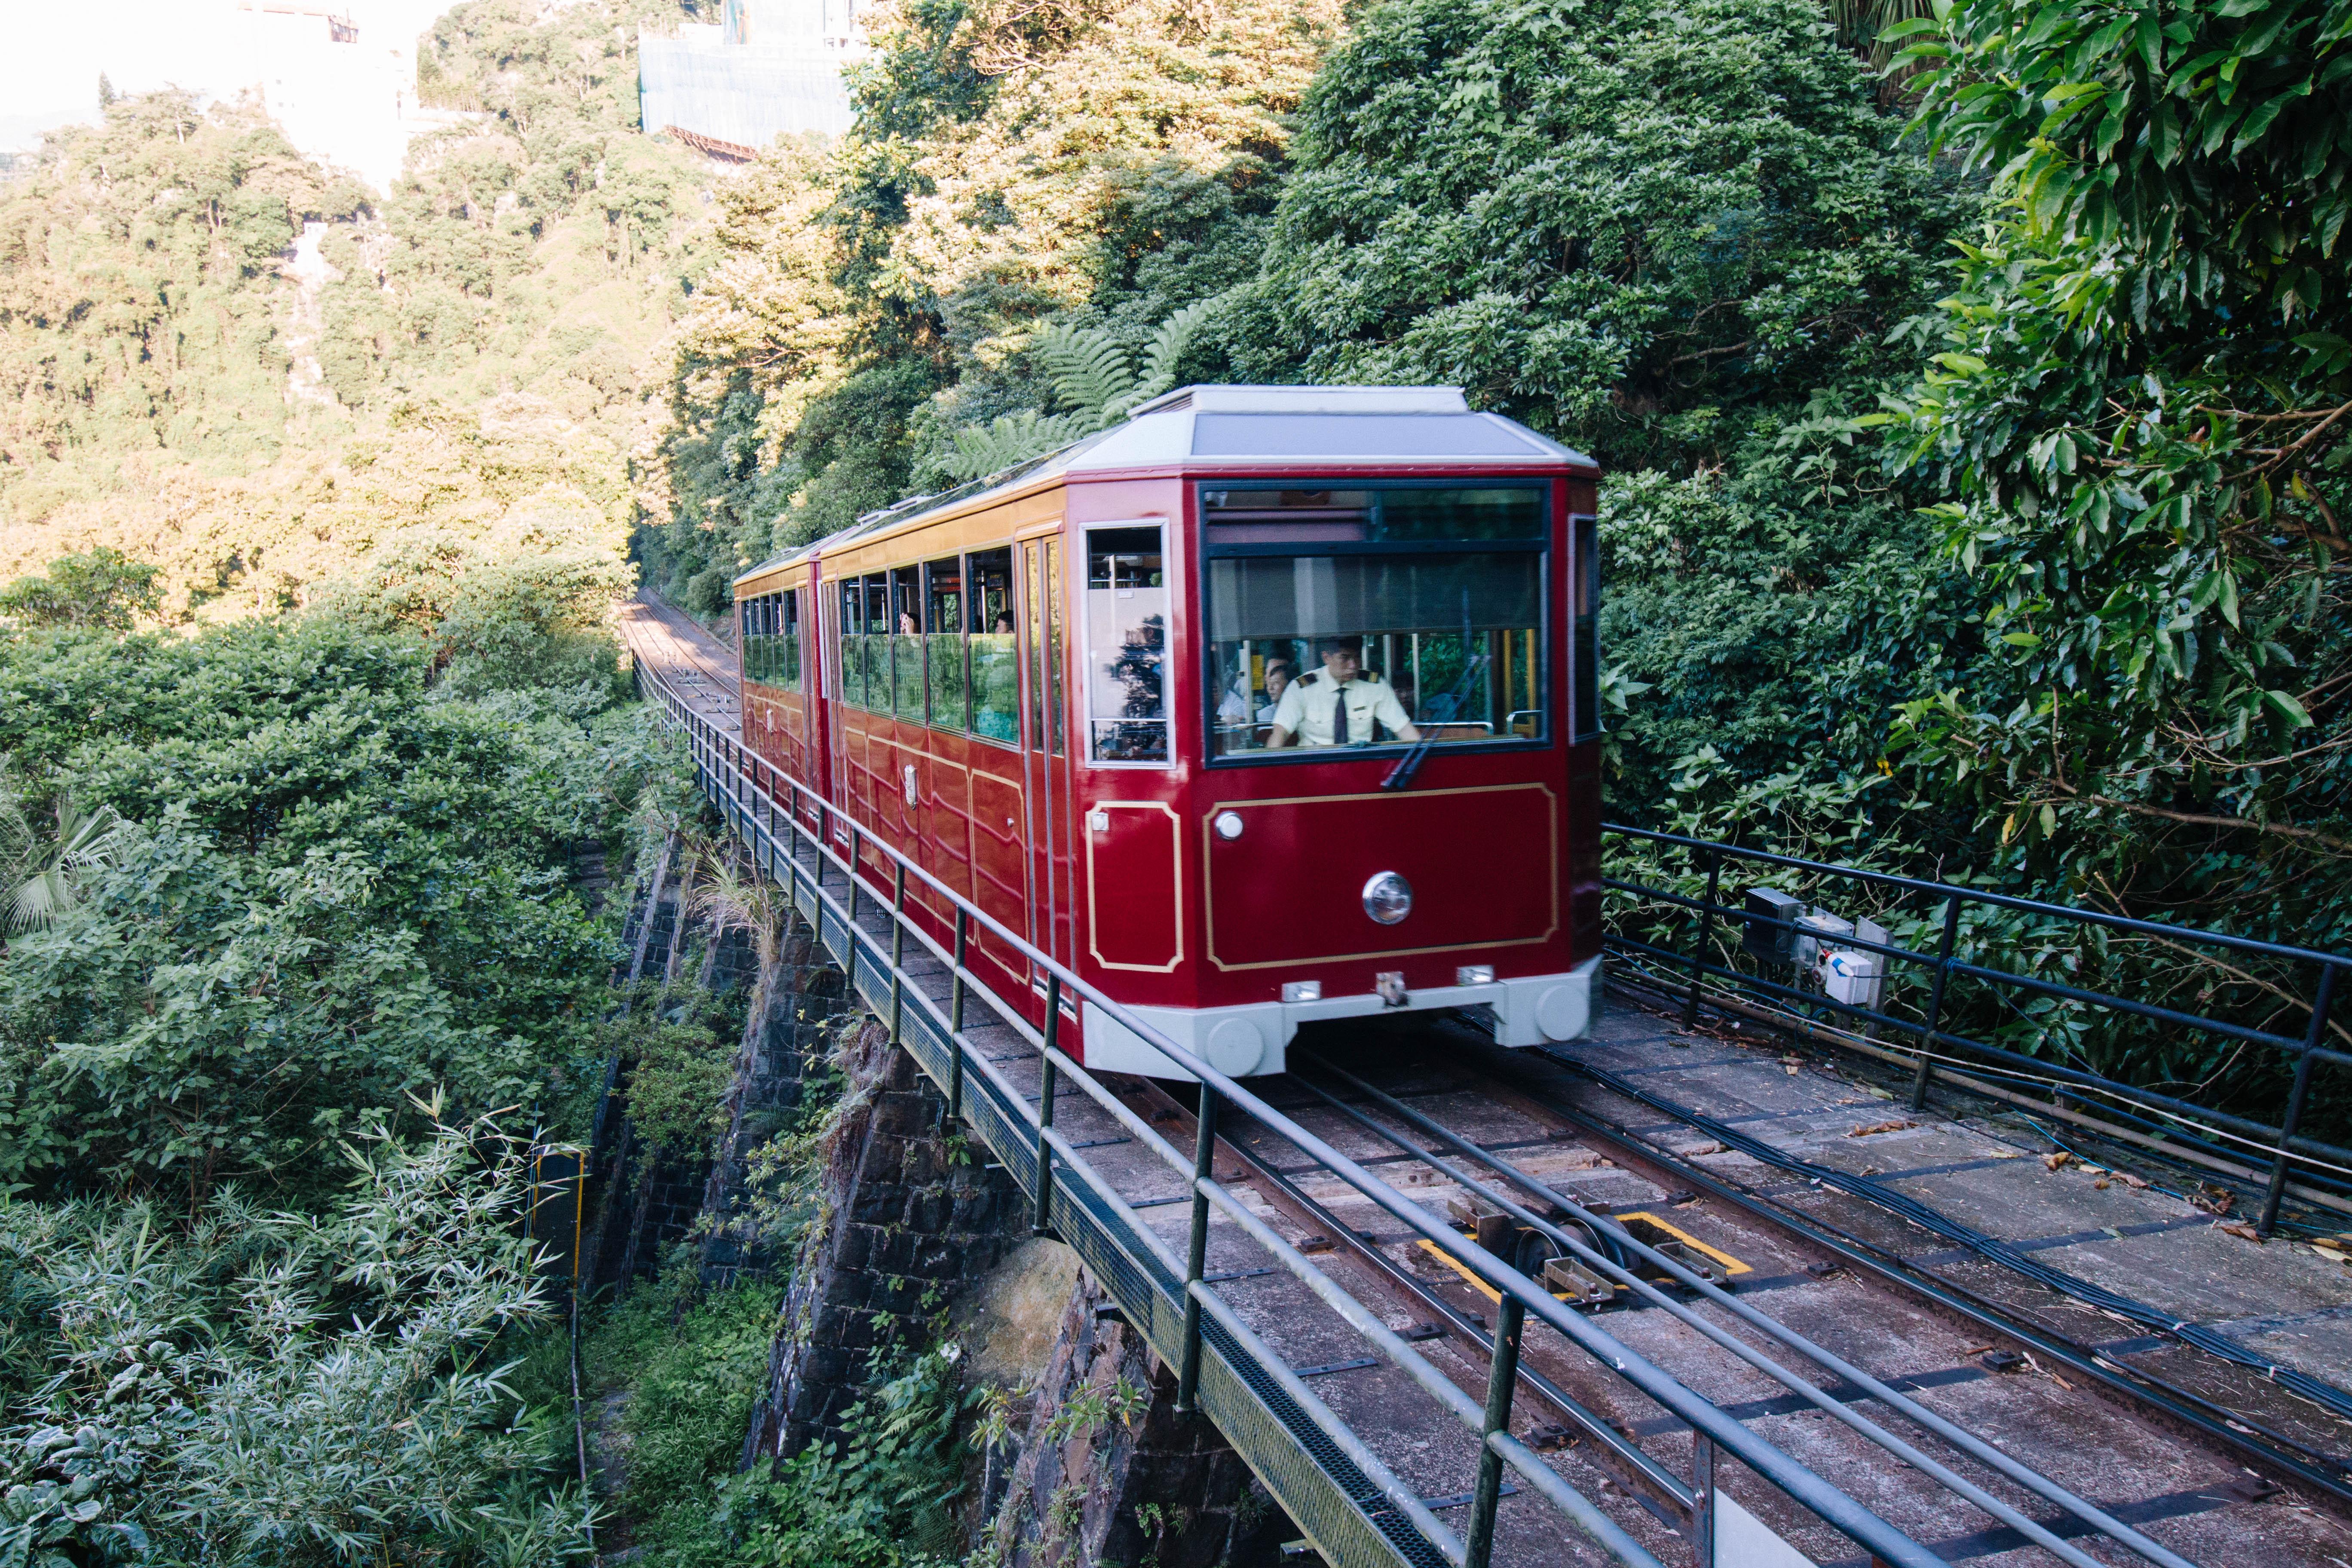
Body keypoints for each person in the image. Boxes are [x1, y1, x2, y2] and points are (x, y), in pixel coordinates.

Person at [1268, 637, 1419, 747]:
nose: (1353, 665)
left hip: (1358, 768)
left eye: (1357, 657)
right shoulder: (1302, 689)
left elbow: (1405, 730)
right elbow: (1280, 735)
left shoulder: (1375, 686)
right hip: (1314, 770)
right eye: (1345, 658)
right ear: (1326, 658)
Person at [1256, 659, 1294, 724]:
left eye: (1276, 683)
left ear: (1289, 685)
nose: (1271, 688)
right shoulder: (1266, 714)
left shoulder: (1299, 710)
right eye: (1270, 683)